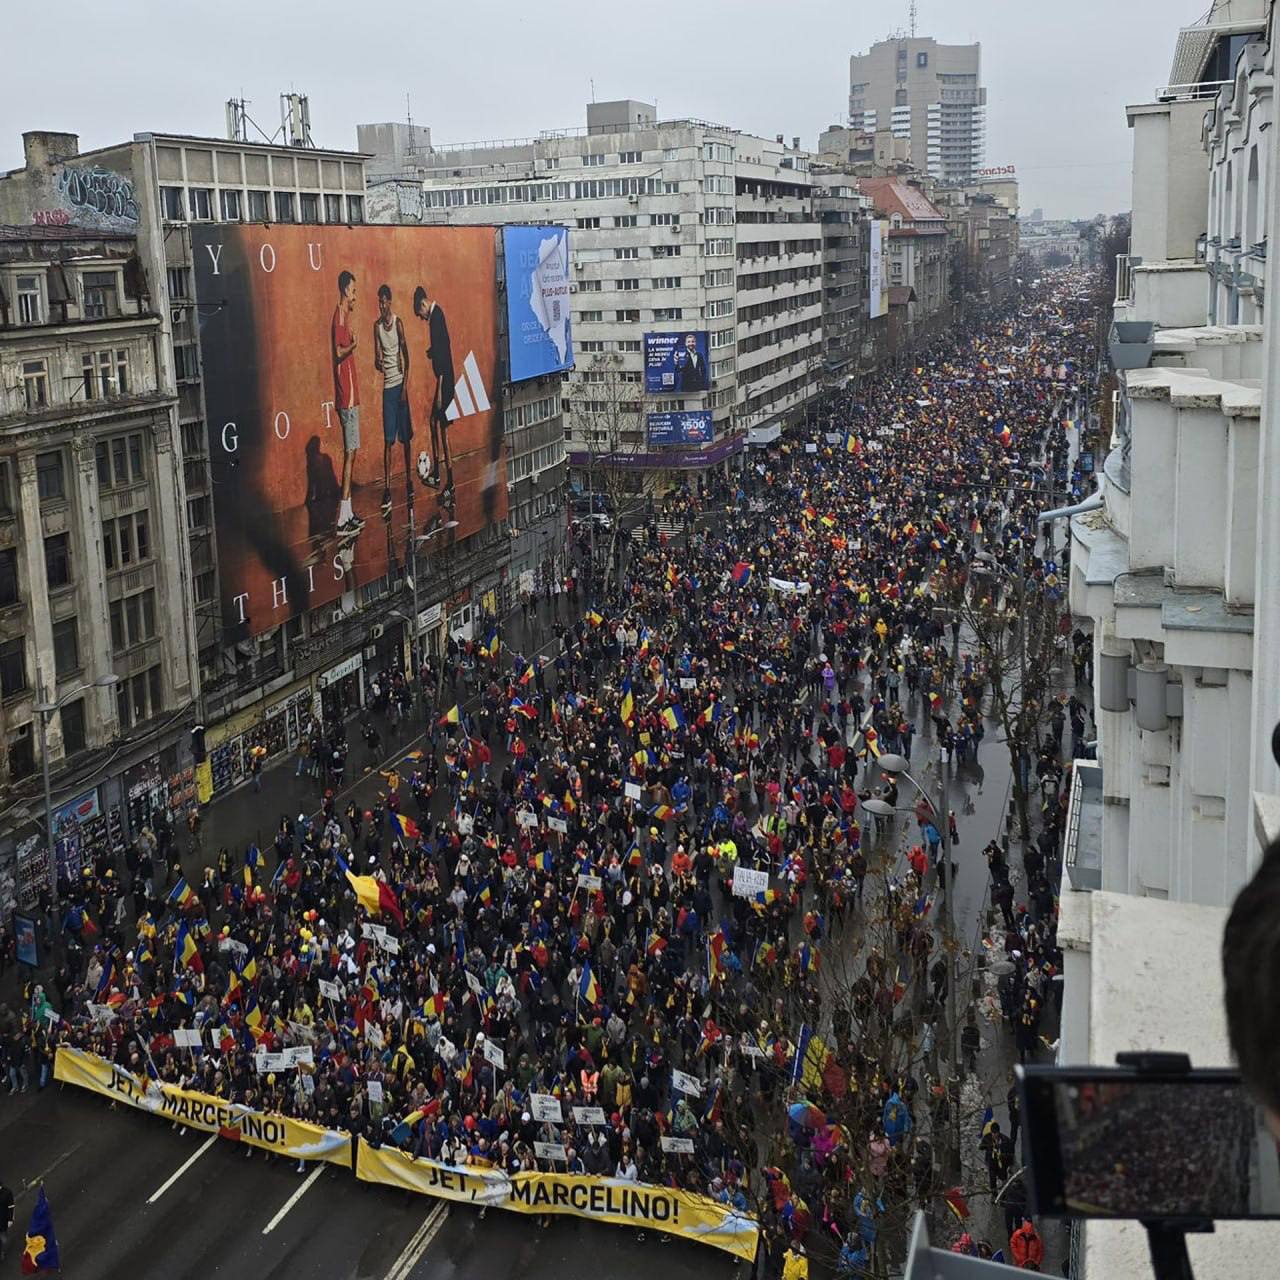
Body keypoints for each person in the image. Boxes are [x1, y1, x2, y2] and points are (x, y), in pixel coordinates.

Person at [413, 284, 455, 506]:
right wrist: (432, 352)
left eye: (419, 315)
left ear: (423, 304)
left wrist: (440, 389)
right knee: (434, 424)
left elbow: (444, 358)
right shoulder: (437, 316)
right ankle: (439, 474)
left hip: (444, 382)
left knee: (443, 430)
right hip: (445, 379)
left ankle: (449, 482)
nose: (421, 319)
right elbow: (441, 349)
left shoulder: (436, 318)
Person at [374, 283, 413, 519]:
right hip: (387, 388)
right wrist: (378, 362)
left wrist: (405, 387)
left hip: (400, 386)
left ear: (390, 301)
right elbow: (376, 359)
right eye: (379, 302)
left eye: (384, 301)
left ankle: (409, 479)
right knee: (388, 442)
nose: (381, 305)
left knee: (406, 440)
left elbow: (408, 359)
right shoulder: (376, 327)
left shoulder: (398, 323)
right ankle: (387, 489)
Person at [331, 269, 364, 539]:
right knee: (350, 453)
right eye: (353, 290)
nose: (355, 295)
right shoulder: (339, 318)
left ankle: (349, 513)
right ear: (345, 290)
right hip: (347, 398)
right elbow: (338, 352)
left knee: (352, 452)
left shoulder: (344, 317)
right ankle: (343, 519)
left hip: (351, 397)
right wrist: (353, 345)